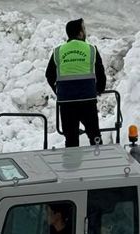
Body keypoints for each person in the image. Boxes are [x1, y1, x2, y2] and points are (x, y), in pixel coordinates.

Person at [45, 18, 106, 147]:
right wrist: (98, 90)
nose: (85, 32)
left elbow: (49, 75)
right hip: (87, 101)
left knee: (71, 140)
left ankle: (72, 166)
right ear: (79, 33)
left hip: (66, 103)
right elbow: (100, 73)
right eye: (84, 29)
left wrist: (58, 92)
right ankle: (99, 163)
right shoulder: (91, 49)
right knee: (95, 136)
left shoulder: (58, 51)